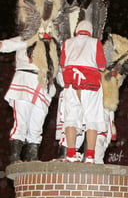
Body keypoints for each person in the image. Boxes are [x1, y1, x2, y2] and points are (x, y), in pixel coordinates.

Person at [0, 36, 56, 163]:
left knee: (37, 126)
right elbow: (5, 46)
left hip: (43, 86)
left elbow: (58, 68)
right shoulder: (25, 39)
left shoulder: (52, 45)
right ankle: (15, 157)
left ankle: (32, 158)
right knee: (21, 123)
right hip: (25, 82)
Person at [60, 20, 107, 164]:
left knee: (71, 119)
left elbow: (62, 64)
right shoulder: (95, 42)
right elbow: (102, 66)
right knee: (92, 120)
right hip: (90, 83)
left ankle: (71, 154)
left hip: (71, 83)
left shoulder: (67, 43)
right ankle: (90, 157)